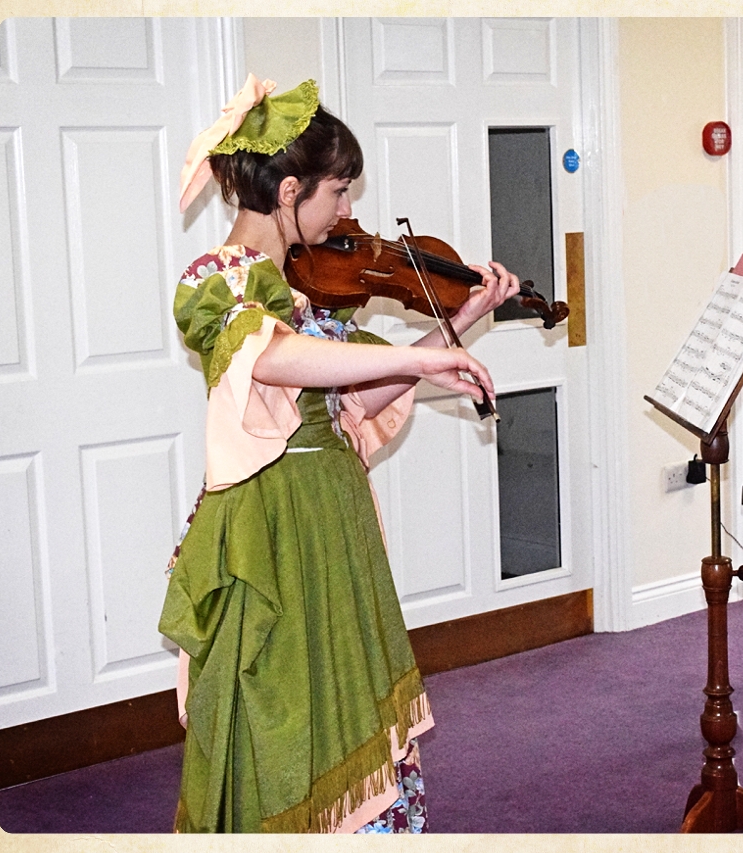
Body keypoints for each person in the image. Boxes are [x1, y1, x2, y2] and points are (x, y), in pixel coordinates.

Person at [158, 75, 521, 833]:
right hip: (275, 527)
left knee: (344, 698)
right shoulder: (213, 284)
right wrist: (419, 362)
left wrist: (463, 321)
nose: (348, 210)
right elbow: (273, 361)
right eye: (340, 190)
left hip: (334, 518)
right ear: (289, 190)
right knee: (285, 708)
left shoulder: (303, 299)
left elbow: (357, 394)